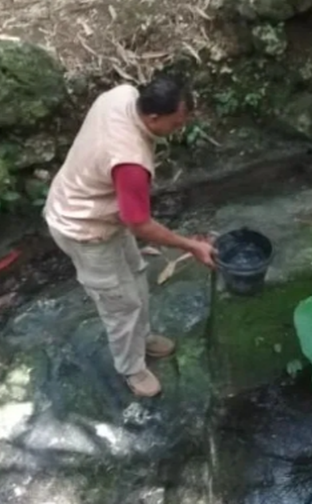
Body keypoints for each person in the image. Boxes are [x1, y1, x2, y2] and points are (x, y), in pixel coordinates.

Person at [43, 75, 217, 398]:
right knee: (120, 306)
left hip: (99, 207)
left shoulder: (124, 95)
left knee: (135, 275)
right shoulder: (130, 163)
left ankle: (144, 339)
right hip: (83, 228)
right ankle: (132, 369)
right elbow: (139, 223)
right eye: (176, 123)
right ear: (153, 117)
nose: (179, 129)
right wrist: (191, 245)